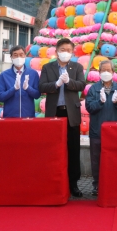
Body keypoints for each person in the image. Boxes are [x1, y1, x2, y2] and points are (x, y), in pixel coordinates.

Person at [39, 38, 86, 198]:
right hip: (54, 112)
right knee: (54, 148)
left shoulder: (77, 67)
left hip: (71, 113)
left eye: (68, 50)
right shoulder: (48, 67)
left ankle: (74, 183)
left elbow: (81, 85)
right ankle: (54, 181)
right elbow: (42, 86)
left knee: (73, 148)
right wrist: (56, 84)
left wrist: (69, 82)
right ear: (56, 51)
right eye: (63, 49)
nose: (65, 52)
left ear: (72, 52)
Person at [84, 60, 117, 196]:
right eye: (103, 70)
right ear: (99, 72)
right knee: (96, 159)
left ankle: (113, 183)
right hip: (97, 130)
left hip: (114, 130)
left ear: (113, 72)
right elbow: (89, 108)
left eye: (109, 70)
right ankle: (96, 185)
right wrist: (100, 102)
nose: (106, 73)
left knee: (114, 158)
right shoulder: (93, 89)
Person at [0, 45, 41, 117]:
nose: (19, 57)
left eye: (21, 55)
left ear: (25, 56)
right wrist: (14, 89)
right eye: (15, 55)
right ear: (11, 57)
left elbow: (37, 95)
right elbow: (1, 97)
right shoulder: (4, 75)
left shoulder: (33, 73)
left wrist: (28, 88)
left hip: (28, 115)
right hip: (10, 116)